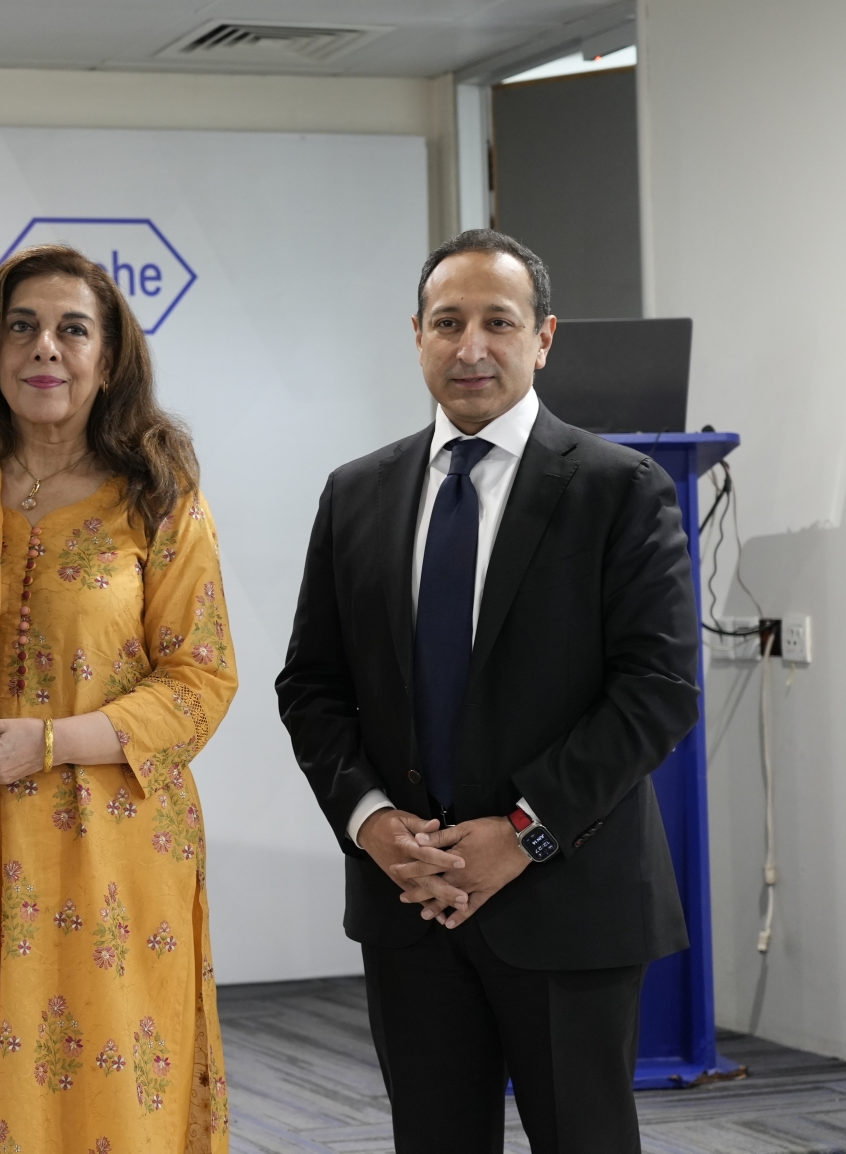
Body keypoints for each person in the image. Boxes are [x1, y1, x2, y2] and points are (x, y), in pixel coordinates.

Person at [276, 229, 698, 1153]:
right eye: (447, 322)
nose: (470, 347)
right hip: (408, 900)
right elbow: (311, 686)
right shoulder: (356, 494)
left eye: (498, 323)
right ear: (416, 336)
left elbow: (658, 689)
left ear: (543, 338)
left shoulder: (618, 489)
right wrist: (372, 823)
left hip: (567, 901)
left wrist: (523, 832)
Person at [0, 245, 238, 1153]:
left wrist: (50, 743)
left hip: (109, 844)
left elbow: (202, 680)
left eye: (71, 329)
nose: (44, 348)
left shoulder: (158, 497)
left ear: (109, 357)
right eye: (22, 327)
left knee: (108, 1080)